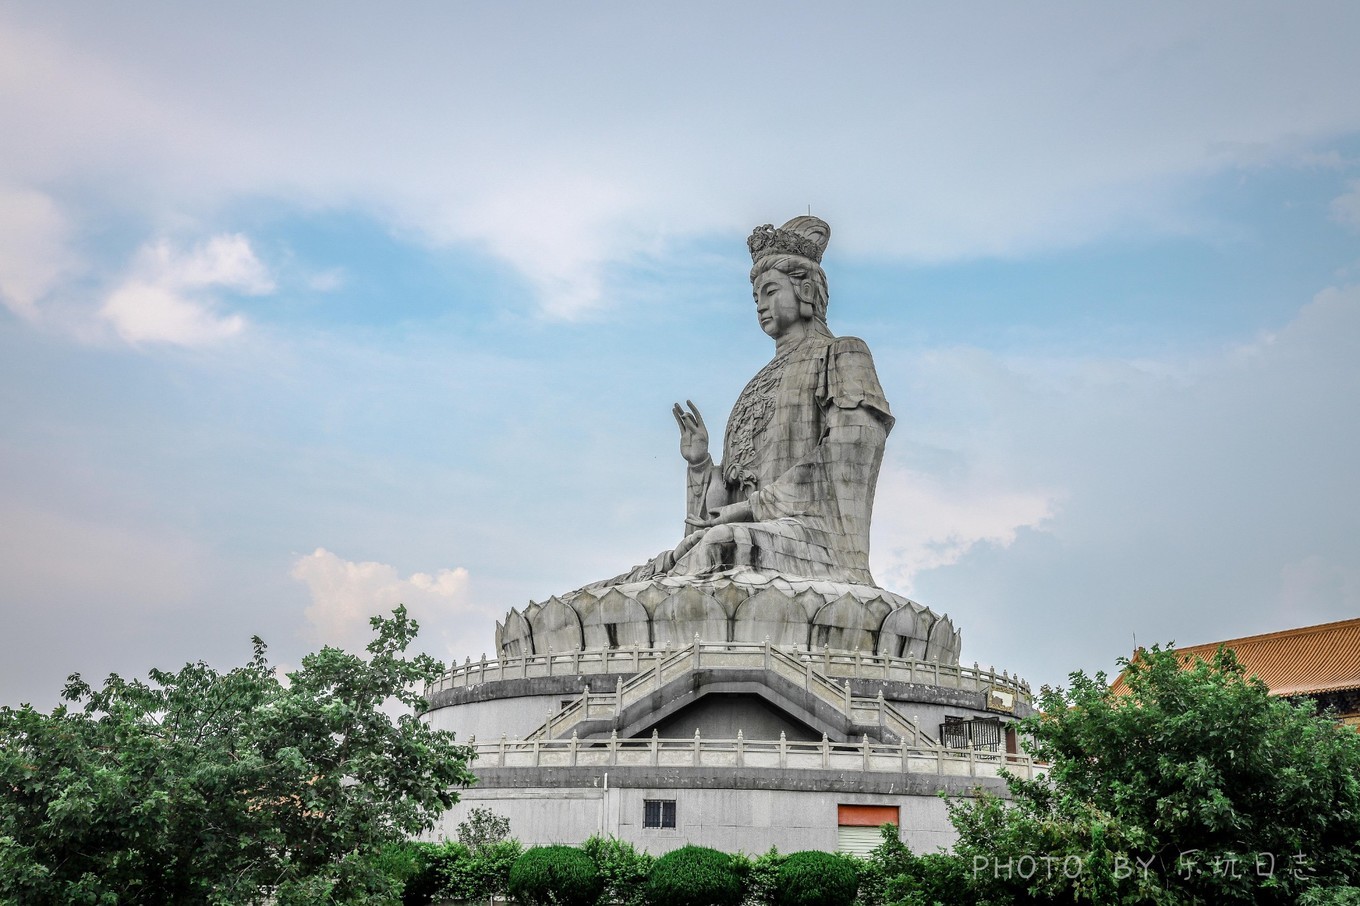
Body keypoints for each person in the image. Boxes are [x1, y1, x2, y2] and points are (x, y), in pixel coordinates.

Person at [600, 216, 893, 587]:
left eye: (770, 292)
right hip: (753, 532)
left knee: (722, 544)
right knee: (648, 574)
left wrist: (754, 508)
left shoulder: (842, 354)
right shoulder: (759, 381)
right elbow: (728, 496)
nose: (760, 305)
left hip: (817, 539)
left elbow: (848, 458)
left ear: (805, 291)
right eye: (756, 297)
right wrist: (701, 466)